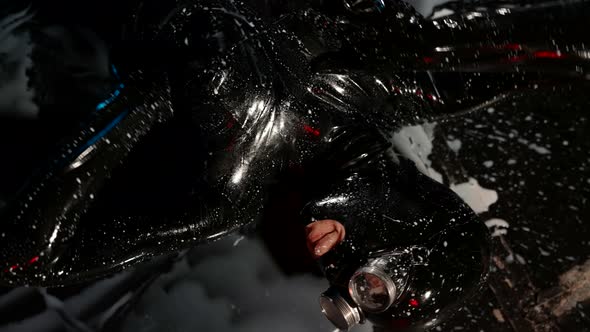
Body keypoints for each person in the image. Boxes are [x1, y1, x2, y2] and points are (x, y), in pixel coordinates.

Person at [0, 0, 588, 329]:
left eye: (345, 293)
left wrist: (143, 102)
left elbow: (27, 258)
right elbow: (553, 44)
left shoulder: (225, 196)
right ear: (414, 225)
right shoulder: (403, 79)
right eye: (366, 281)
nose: (329, 266)